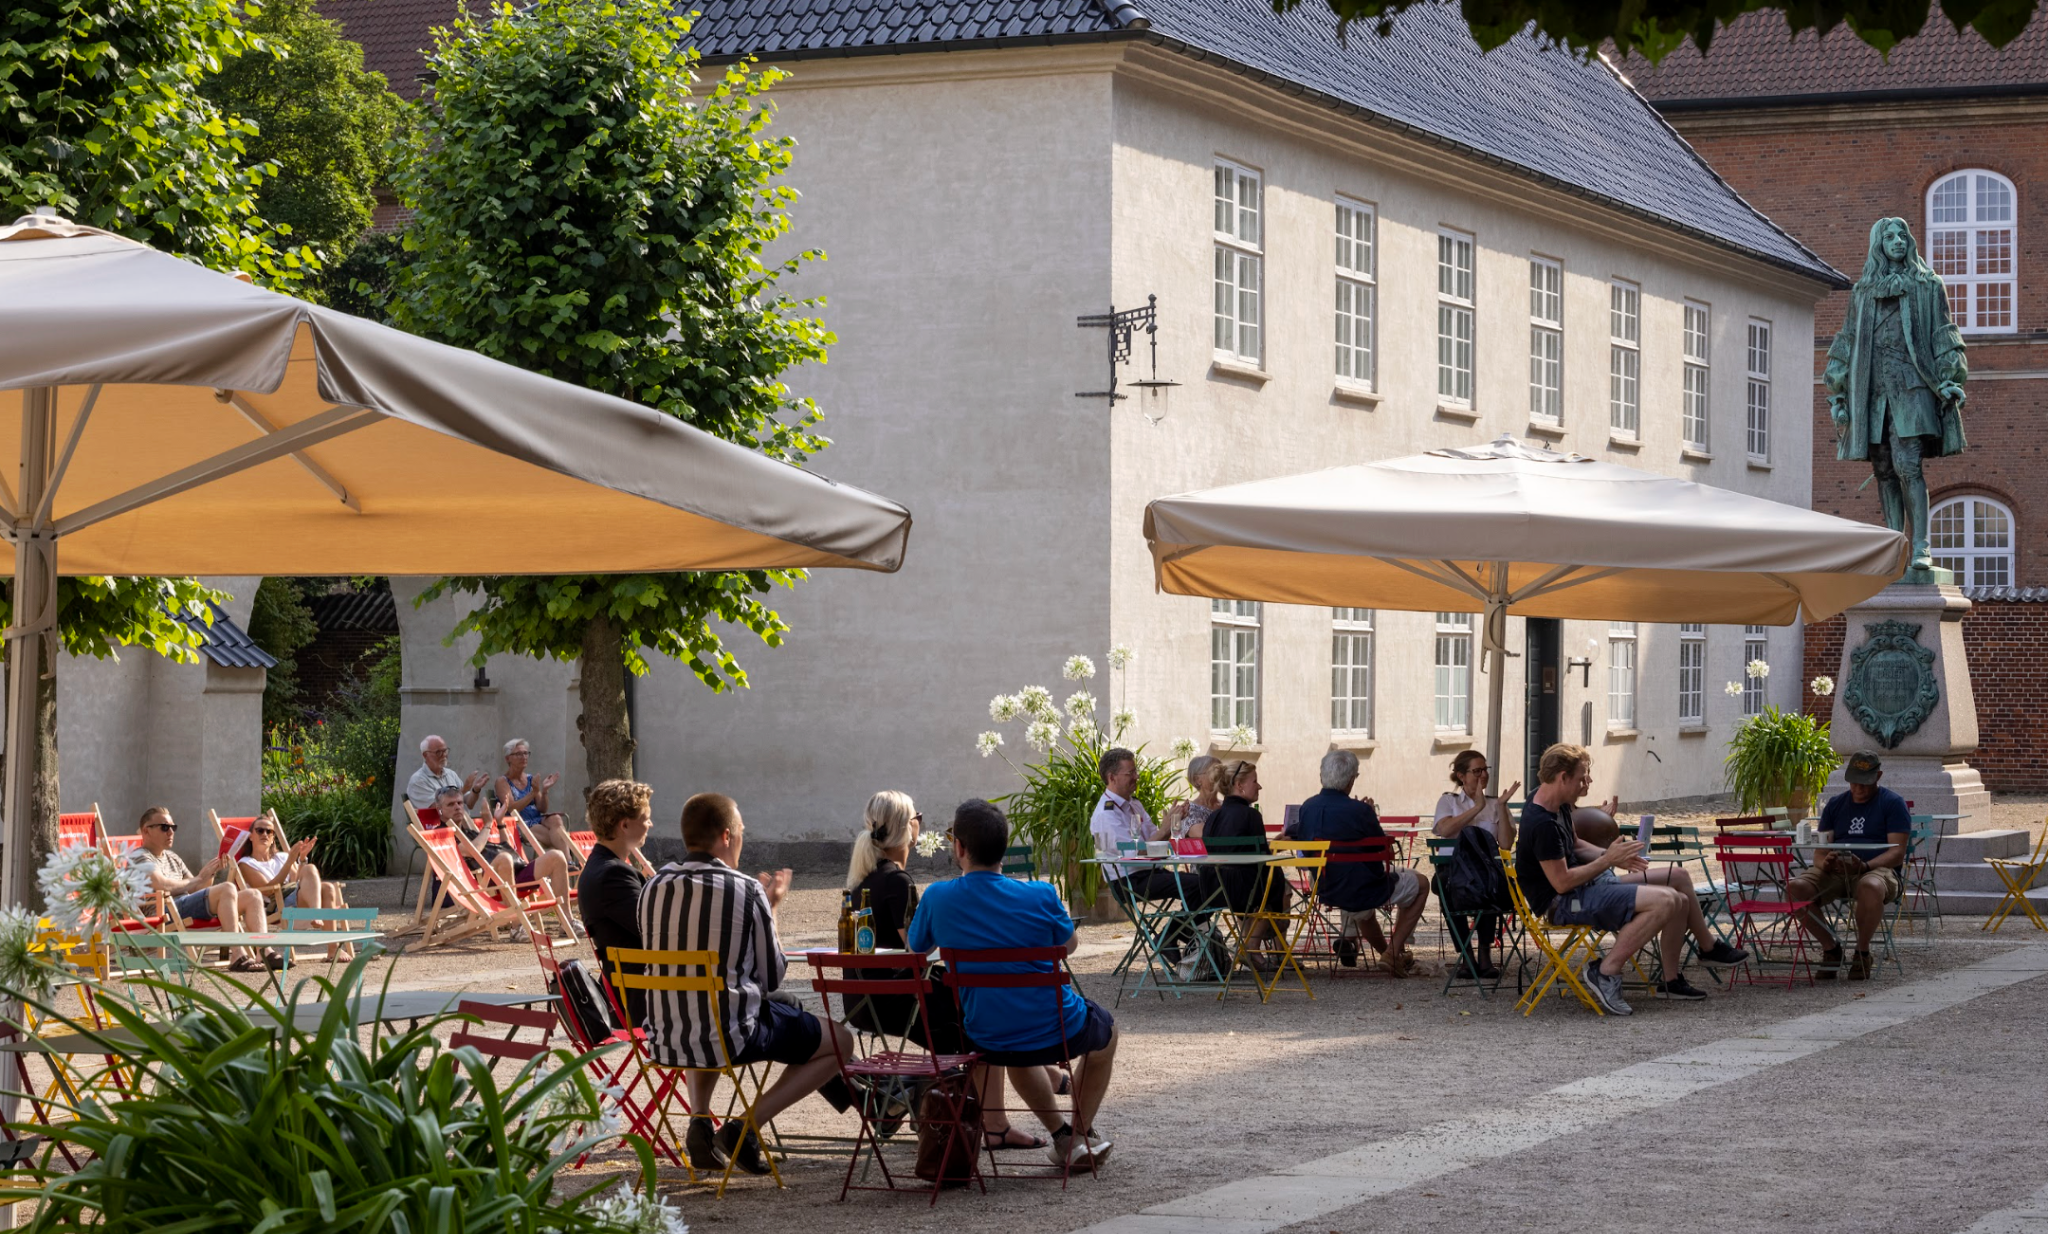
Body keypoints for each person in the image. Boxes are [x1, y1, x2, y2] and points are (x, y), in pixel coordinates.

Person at [639, 792, 856, 1176]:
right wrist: (770, 910)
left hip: (665, 1036)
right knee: (840, 1041)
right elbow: (773, 976)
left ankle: (700, 1120)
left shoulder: (652, 887)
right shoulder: (744, 889)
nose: (742, 838)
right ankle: (744, 1127)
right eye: (740, 831)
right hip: (733, 1035)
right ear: (725, 836)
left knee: (704, 1005)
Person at [907, 799, 1118, 1172]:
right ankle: (1079, 1135)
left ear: (959, 847)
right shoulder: (1040, 894)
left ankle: (1064, 1136)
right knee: (1108, 1035)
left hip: (984, 1032)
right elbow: (1068, 946)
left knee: (1014, 1041)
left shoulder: (938, 897)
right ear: (1005, 848)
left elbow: (916, 949)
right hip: (1055, 1027)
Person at [843, 791, 1049, 1152]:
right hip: (896, 999)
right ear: (911, 827)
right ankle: (997, 1122)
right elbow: (918, 949)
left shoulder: (864, 877)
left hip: (863, 1000)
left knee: (970, 1005)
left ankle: (1038, 1081)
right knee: (979, 1015)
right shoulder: (897, 881)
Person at [1514, 743, 1746, 1015]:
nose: (1588, 782)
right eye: (1583, 777)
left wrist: (1616, 856)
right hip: (1564, 902)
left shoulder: (1556, 801)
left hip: (1588, 887)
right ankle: (1605, 971)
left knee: (1679, 879)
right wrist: (1607, 860)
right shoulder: (1542, 824)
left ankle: (1689, 964)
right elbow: (1562, 882)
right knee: (1667, 901)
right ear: (1562, 777)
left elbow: (1575, 844)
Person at [1297, 750, 1432, 976]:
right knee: (1421, 883)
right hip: (1364, 890)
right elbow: (1385, 852)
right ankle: (1393, 951)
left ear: (1322, 777)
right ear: (1351, 781)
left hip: (1326, 888)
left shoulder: (1307, 807)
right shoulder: (1360, 811)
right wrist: (1369, 814)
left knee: (1358, 896)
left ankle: (1390, 955)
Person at [1787, 750, 1909, 981]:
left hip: (1876, 869)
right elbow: (1820, 853)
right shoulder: (1835, 805)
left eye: (1864, 783)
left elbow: (1897, 852)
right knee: (1795, 889)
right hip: (1837, 871)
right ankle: (1831, 948)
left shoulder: (1893, 803)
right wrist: (1827, 863)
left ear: (1878, 776)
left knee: (1870, 886)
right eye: (1854, 782)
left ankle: (1862, 952)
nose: (1858, 788)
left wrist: (1864, 866)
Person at [131, 807, 274, 973]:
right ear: (146, 831)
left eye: (173, 827)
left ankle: (264, 951)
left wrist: (210, 872)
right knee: (227, 888)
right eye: (164, 827)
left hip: (183, 907)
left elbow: (198, 888)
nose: (170, 832)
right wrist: (198, 879)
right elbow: (161, 885)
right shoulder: (140, 856)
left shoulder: (172, 857)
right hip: (164, 912)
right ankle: (237, 954)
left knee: (253, 895)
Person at [435, 787, 577, 942]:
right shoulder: (442, 835)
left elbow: (505, 849)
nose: (457, 807)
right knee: (504, 859)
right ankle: (516, 927)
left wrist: (500, 823)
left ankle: (567, 921)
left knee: (557, 856)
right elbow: (472, 851)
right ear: (439, 809)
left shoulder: (467, 831)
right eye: (450, 804)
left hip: (511, 876)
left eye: (460, 803)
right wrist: (488, 824)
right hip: (487, 886)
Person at [1432, 751, 1518, 977]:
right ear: (1462, 775)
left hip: (1486, 870)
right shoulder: (1448, 801)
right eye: (1476, 771)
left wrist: (1500, 806)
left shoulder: (1495, 803)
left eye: (1485, 770)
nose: (1483, 775)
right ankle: (1466, 955)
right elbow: (1445, 830)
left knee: (1490, 883)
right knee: (1447, 886)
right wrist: (1476, 808)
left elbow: (1506, 844)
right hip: (1453, 869)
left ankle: (1485, 954)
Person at [578, 778, 657, 1023]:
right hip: (643, 998)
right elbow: (656, 930)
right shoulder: (613, 874)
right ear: (624, 825)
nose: (650, 824)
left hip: (635, 988)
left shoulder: (602, 865)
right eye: (645, 818)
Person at [1199, 759, 1285, 971]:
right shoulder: (1251, 815)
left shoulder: (1214, 817)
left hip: (1212, 889)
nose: (1259, 786)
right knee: (1273, 880)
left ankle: (1251, 948)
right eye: (1255, 781)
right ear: (1240, 785)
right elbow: (1262, 859)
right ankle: (1250, 947)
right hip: (1245, 890)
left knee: (1261, 882)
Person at [236, 815, 353, 960]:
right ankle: (316, 914)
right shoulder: (246, 863)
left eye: (269, 831)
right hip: (279, 905)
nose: (265, 834)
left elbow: (298, 880)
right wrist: (290, 861)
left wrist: (302, 859)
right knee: (310, 870)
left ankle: (332, 949)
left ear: (273, 838)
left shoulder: (282, 857)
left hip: (297, 898)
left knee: (327, 887)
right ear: (251, 836)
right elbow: (267, 889)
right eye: (260, 830)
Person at [493, 738, 575, 868]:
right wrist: (533, 793)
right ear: (508, 758)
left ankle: (567, 861)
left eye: (526, 753)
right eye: (519, 754)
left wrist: (545, 790)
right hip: (519, 823)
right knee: (559, 837)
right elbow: (512, 808)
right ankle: (567, 862)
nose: (524, 757)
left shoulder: (530, 778)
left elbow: (542, 808)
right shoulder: (502, 781)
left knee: (556, 819)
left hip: (536, 818)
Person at [407, 734, 488, 813]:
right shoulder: (418, 781)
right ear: (425, 755)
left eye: (445, 751)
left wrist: (475, 790)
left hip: (461, 824)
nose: (444, 755)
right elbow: (438, 809)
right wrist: (464, 789)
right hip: (438, 826)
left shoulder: (450, 774)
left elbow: (469, 804)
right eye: (438, 752)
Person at [1163, 755, 1221, 840]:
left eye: (1221, 771)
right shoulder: (1189, 810)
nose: (1220, 775)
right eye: (1214, 771)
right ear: (1197, 779)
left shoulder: (1228, 805)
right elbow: (1206, 835)